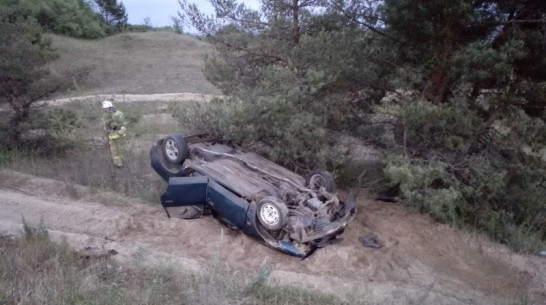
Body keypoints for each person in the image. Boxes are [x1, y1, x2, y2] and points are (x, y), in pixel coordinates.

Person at [101, 100, 127, 167]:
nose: (105, 110)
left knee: (121, 151)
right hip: (112, 136)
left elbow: (123, 123)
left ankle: (124, 163)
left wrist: (118, 129)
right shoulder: (105, 116)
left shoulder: (118, 114)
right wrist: (107, 128)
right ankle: (118, 164)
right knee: (114, 152)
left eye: (106, 108)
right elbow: (104, 125)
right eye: (104, 109)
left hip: (120, 135)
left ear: (110, 107)